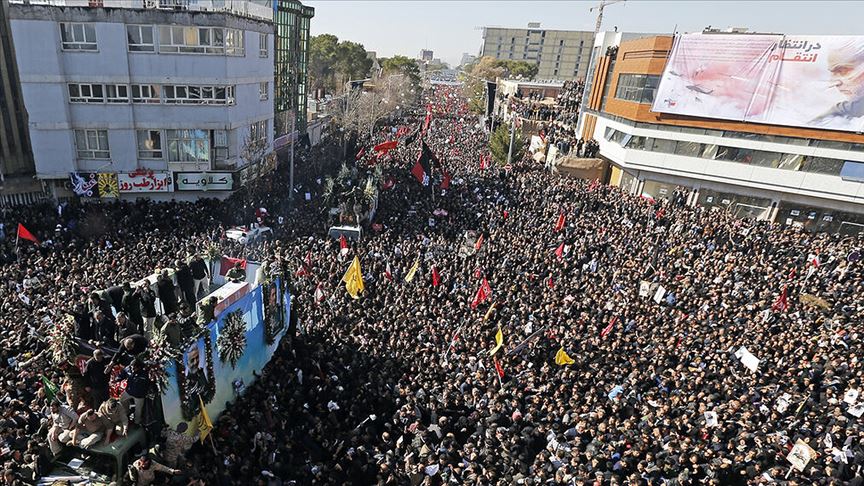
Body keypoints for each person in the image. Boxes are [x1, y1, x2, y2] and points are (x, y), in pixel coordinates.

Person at [116, 358, 150, 426]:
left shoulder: (144, 374)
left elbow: (147, 385)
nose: (132, 369)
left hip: (139, 395)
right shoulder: (128, 368)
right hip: (128, 391)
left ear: (139, 367)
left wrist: (144, 392)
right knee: (121, 401)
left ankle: (137, 422)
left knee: (138, 410)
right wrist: (118, 378)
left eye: (134, 368)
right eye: (131, 367)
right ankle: (126, 413)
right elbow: (122, 374)